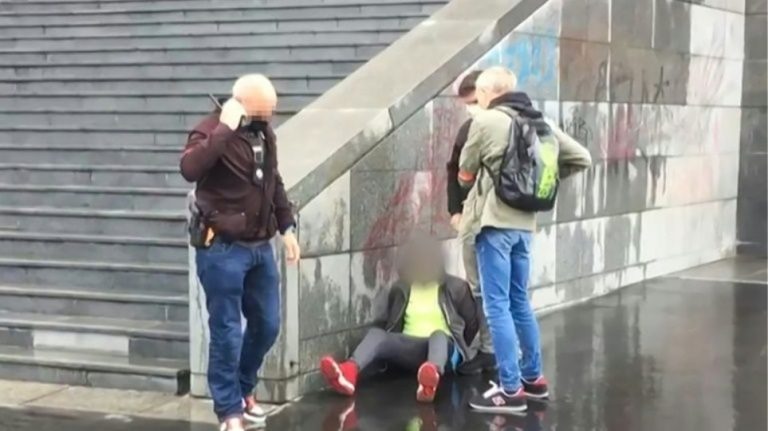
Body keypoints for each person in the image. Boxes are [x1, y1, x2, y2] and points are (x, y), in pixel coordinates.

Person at [458, 67, 592, 413]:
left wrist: (484, 177)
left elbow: (464, 173)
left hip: (494, 225)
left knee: (496, 305)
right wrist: (535, 179)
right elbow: (582, 158)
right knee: (519, 301)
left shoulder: (486, 121)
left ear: (486, 93)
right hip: (524, 227)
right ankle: (533, 380)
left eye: (478, 95)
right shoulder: (539, 122)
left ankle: (510, 389)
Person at [180, 74, 301, 431]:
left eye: (272, 111)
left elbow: (273, 181)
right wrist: (224, 129)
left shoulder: (263, 133)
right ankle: (229, 410)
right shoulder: (208, 130)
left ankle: (244, 388)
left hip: (260, 246)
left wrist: (287, 227)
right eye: (265, 110)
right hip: (222, 248)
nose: (270, 116)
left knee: (267, 324)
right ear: (242, 105)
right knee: (227, 332)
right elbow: (189, 169)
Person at [319, 234, 479, 403]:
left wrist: (463, 352)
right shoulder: (402, 289)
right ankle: (348, 372)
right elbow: (393, 323)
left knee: (438, 335)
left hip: (444, 351)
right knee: (377, 334)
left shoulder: (456, 287)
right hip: (411, 348)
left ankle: (430, 380)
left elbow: (472, 324)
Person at [445, 70, 497, 375]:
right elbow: (454, 170)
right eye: (467, 104)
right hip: (476, 219)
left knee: (495, 290)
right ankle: (492, 349)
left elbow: (463, 173)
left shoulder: (499, 128)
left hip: (494, 220)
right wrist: (455, 210)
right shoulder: (468, 129)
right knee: (481, 288)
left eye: (474, 102)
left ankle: (497, 351)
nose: (471, 109)